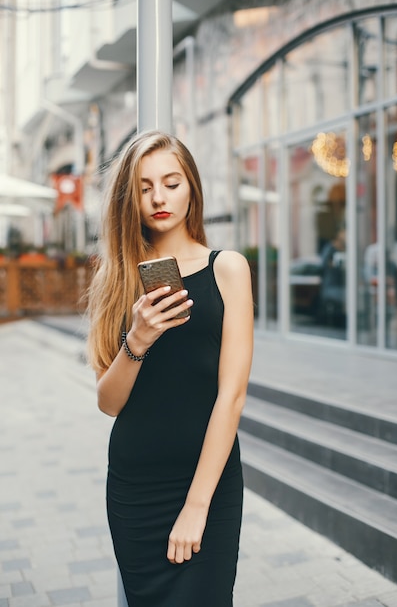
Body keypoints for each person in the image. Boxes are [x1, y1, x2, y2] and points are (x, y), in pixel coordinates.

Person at [86, 130, 254, 607]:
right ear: (129, 198)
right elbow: (108, 401)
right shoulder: (116, 278)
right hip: (136, 485)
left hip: (207, 482)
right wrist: (137, 339)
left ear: (192, 187)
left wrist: (197, 506)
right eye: (144, 187)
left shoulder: (228, 269)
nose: (158, 197)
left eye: (171, 182)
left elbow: (232, 395)